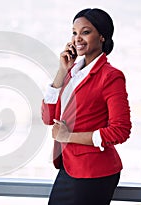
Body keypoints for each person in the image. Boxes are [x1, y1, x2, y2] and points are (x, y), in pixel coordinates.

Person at [41, 8, 132, 205]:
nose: (77, 38)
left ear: (102, 36)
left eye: (85, 32)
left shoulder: (111, 76)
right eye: (74, 32)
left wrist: (68, 137)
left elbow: (120, 131)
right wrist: (61, 71)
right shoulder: (72, 72)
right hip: (69, 166)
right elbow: (48, 118)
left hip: (93, 173)